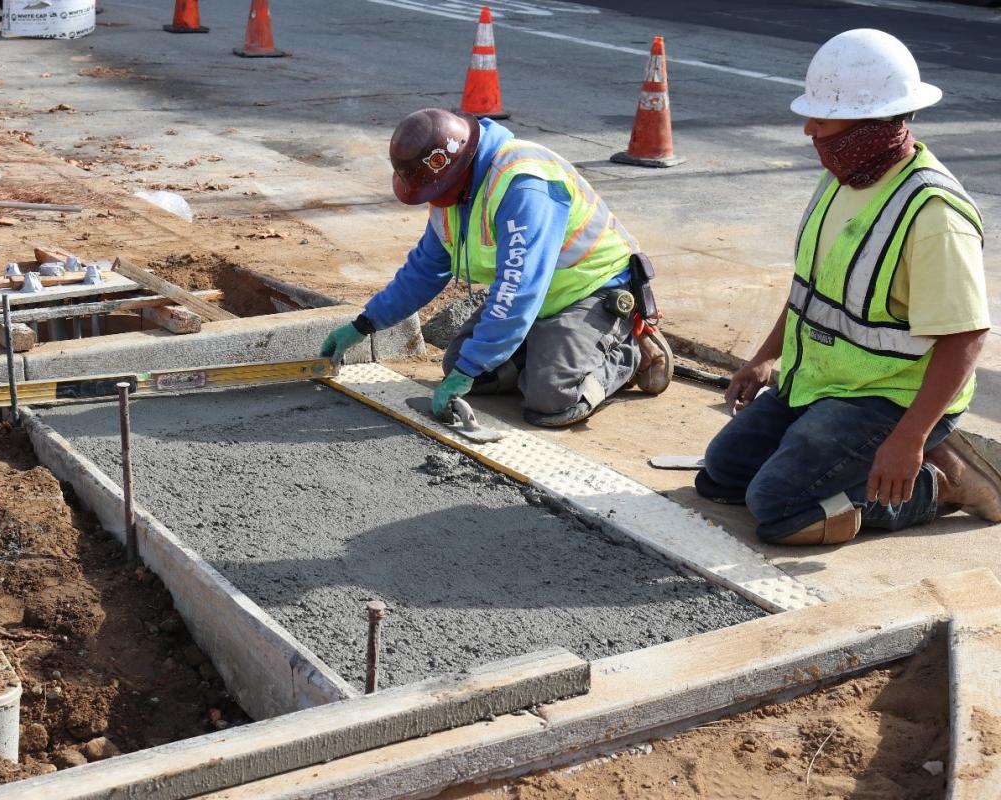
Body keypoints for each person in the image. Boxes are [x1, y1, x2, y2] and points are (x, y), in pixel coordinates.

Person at [696, 29, 999, 546]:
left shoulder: (933, 213)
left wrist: (909, 437)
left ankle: (939, 480)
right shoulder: (844, 175)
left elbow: (965, 337)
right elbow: (811, 291)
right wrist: (767, 356)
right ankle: (863, 459)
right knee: (721, 476)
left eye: (824, 117)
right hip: (821, 383)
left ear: (873, 123)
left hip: (890, 399)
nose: (810, 128)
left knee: (779, 508)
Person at [320, 108, 673, 428]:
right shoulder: (452, 196)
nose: (431, 199)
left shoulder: (524, 186)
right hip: (538, 302)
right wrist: (364, 325)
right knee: (457, 364)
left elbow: (517, 291)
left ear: (458, 169)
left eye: (434, 189)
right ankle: (549, 352)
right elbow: (424, 270)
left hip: (591, 291)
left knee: (552, 399)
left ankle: (629, 350)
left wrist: (473, 367)